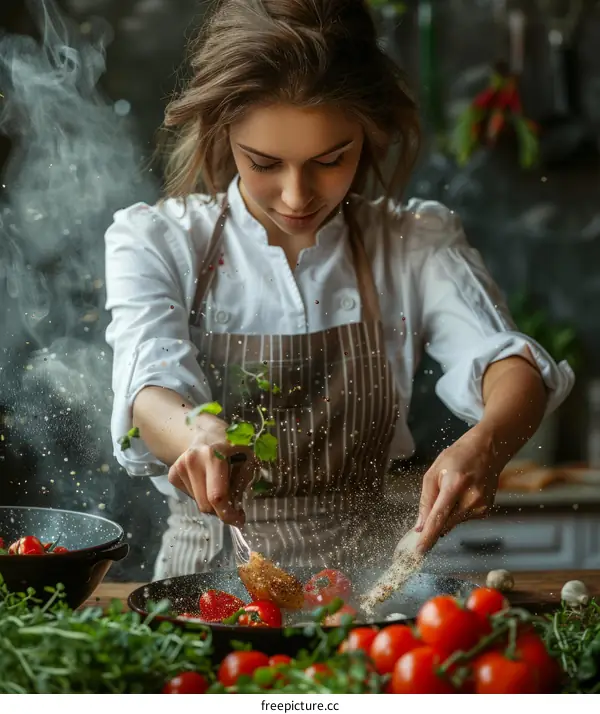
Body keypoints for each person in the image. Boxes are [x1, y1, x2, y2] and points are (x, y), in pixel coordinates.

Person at [104, 0, 575, 581]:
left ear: (367, 133)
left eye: (330, 160)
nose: (297, 195)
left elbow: (507, 362)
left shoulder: (413, 242)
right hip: (205, 589)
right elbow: (149, 386)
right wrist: (196, 433)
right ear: (225, 134)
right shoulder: (158, 241)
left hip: (366, 594)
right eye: (264, 163)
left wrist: (488, 443)